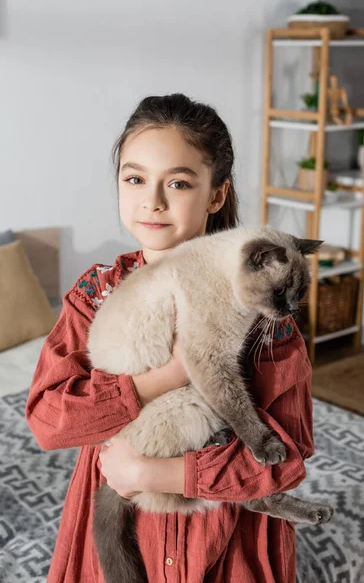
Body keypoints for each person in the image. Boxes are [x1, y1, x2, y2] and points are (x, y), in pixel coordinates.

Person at [26, 93, 314, 582]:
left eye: (178, 183)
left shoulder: (263, 311)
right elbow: (49, 422)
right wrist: (167, 376)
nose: (152, 201)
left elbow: (287, 458)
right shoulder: (95, 294)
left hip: (225, 541)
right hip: (119, 536)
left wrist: (157, 475)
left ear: (216, 195)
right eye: (135, 178)